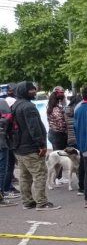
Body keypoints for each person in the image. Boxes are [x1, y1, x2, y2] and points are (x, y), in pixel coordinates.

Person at [8, 82, 60, 211]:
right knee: (40, 174)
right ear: (26, 91)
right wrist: (41, 145)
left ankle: (27, 202)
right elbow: (34, 128)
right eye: (32, 90)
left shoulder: (15, 105)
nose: (35, 92)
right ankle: (41, 203)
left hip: (19, 147)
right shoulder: (28, 107)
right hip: (31, 147)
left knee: (25, 176)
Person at [0, 97, 15, 206]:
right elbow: (7, 121)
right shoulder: (2, 103)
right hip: (2, 141)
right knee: (2, 169)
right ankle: (1, 197)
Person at [46, 86, 68, 151]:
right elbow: (61, 124)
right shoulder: (56, 108)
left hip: (53, 133)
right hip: (58, 135)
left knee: (58, 156)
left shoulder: (50, 106)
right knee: (61, 157)